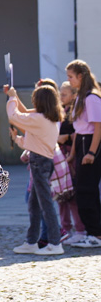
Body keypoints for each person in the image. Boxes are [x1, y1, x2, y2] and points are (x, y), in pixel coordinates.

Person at [8, 83, 65, 254]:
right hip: (41, 162)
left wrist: (12, 97)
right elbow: (34, 142)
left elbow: (14, 116)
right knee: (34, 204)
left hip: (39, 164)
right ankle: (31, 241)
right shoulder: (48, 119)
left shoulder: (39, 119)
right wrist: (17, 139)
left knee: (45, 204)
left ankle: (55, 244)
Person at [64, 60, 101, 248]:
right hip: (82, 142)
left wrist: (92, 153)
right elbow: (78, 128)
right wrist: (74, 154)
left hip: (89, 144)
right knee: (84, 190)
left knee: (86, 191)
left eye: (71, 76)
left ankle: (95, 233)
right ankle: (92, 231)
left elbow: (97, 128)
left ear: (80, 76)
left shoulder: (91, 98)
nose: (69, 80)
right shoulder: (80, 97)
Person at [58, 80, 85, 243]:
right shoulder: (62, 111)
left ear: (74, 95)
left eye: (64, 94)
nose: (61, 97)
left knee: (71, 195)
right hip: (61, 155)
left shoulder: (75, 112)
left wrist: (72, 153)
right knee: (61, 195)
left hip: (69, 155)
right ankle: (65, 228)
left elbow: (78, 134)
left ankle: (80, 229)